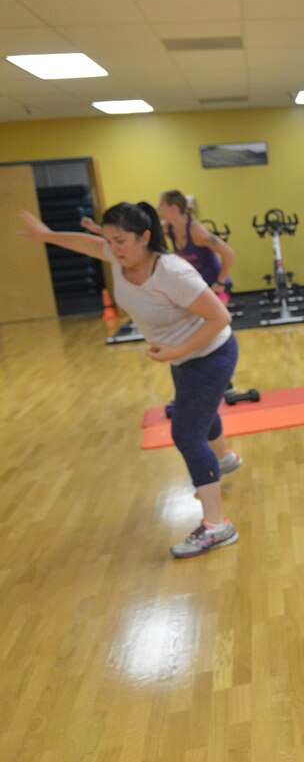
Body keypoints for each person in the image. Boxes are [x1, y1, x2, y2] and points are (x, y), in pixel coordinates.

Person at [19, 203, 245, 559]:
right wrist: (47, 236)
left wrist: (176, 350)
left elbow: (220, 316)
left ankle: (217, 527)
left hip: (211, 353)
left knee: (186, 432)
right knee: (198, 411)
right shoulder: (120, 257)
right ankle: (224, 459)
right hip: (185, 354)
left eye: (121, 240)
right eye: (109, 240)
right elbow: (84, 243)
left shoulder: (171, 272)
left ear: (145, 237)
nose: (113, 248)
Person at [156, 190, 235, 302]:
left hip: (218, 286)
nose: (158, 208)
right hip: (198, 286)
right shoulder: (168, 229)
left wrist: (220, 282)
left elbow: (228, 253)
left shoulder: (196, 231)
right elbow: (148, 232)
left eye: (161, 205)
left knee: (218, 318)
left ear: (173, 208)